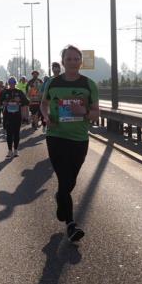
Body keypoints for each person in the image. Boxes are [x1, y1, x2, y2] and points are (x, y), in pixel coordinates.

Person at [40, 45, 100, 242]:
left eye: (76, 59)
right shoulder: (52, 83)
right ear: (63, 61)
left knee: (70, 180)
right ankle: (71, 224)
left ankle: (60, 197)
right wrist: (46, 117)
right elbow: (43, 104)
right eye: (69, 59)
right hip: (56, 137)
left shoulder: (89, 84)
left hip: (79, 139)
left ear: (80, 62)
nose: (73, 62)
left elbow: (95, 113)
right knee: (64, 178)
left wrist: (81, 112)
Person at [0, 77, 29, 157]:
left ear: (15, 83)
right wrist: (3, 103)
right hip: (7, 116)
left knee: (16, 133)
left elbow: (26, 102)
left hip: (17, 115)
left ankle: (15, 150)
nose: (12, 84)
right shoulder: (4, 92)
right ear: (8, 83)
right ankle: (9, 151)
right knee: (9, 134)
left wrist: (20, 102)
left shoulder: (19, 92)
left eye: (13, 83)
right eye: (10, 83)